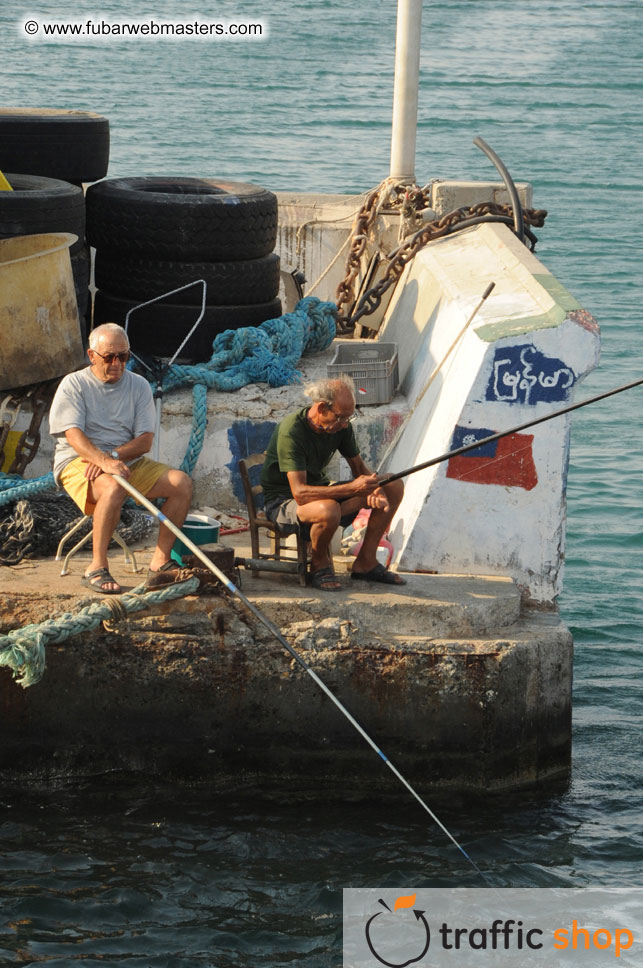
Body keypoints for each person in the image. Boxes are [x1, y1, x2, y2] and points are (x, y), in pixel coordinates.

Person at [49, 322, 193, 594]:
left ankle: (160, 562)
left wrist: (111, 457)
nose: (117, 363)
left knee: (181, 483)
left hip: (123, 460)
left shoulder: (138, 385)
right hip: (78, 461)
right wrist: (102, 461)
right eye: (109, 357)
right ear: (92, 356)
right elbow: (73, 435)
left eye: (123, 356)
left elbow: (145, 441)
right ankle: (96, 566)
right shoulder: (74, 384)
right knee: (113, 485)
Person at [260, 376, 405, 591]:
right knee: (328, 509)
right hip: (283, 502)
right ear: (321, 408)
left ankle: (366, 561)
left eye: (348, 418)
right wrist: (353, 488)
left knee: (393, 484)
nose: (344, 424)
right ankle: (319, 564)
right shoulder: (292, 430)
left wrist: (375, 488)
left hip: (323, 495)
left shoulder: (341, 426)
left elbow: (358, 469)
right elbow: (299, 493)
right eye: (340, 418)